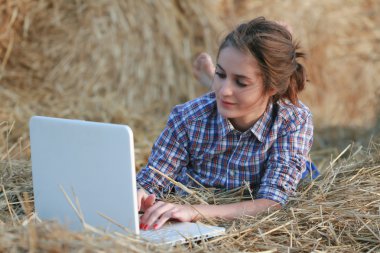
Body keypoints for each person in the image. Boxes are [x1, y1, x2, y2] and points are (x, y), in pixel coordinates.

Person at [136, 17, 314, 231]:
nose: (223, 90)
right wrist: (139, 195)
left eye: (241, 82)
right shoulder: (188, 117)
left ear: (272, 87)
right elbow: (151, 180)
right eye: (220, 75)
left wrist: (193, 211)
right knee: (219, 100)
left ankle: (215, 76)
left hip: (290, 162)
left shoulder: (293, 119)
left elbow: (273, 203)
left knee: (305, 170)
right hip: (219, 120)